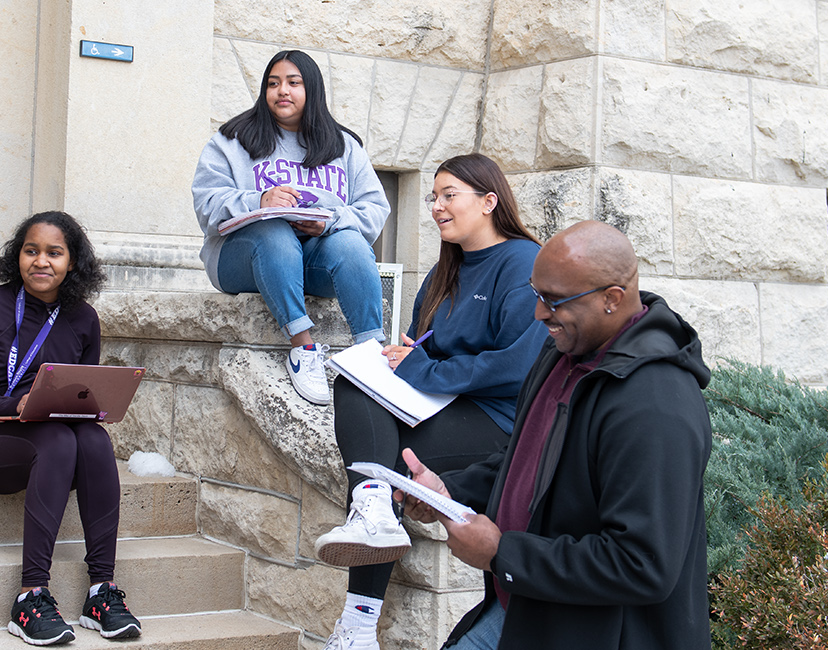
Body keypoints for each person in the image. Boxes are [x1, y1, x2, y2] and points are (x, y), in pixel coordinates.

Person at [401, 221, 714, 650]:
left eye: (554, 301)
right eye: (536, 294)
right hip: (528, 610)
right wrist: (448, 491)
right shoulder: (564, 352)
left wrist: (501, 555)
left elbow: (642, 564)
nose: (538, 314)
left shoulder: (656, 402)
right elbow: (528, 460)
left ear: (612, 299)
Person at [311, 153, 548, 650]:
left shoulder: (522, 261)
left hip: (501, 419)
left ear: (489, 201)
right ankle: (371, 508)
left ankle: (356, 626)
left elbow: (517, 366)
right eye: (432, 197)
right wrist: (406, 355)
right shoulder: (447, 269)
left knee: (391, 467)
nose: (436, 206)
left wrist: (421, 367)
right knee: (356, 378)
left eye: (448, 195)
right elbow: (424, 344)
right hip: (442, 404)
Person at [0, 211, 141, 646]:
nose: (41, 261)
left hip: (55, 440)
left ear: (72, 263)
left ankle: (101, 592)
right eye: (31, 251)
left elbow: (85, 395)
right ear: (18, 257)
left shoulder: (83, 318)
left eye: (54, 252)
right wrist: (16, 404)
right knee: (57, 441)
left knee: (92, 438)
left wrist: (91, 408)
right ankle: (31, 594)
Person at [192, 49, 392, 405]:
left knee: (350, 243)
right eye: (273, 83)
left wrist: (329, 221)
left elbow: (374, 209)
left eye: (293, 82)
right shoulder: (231, 140)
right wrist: (259, 201)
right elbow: (206, 204)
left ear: (311, 89)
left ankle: (371, 352)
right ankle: (303, 347)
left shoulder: (344, 146)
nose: (282, 91)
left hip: (312, 260)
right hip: (241, 259)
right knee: (274, 233)